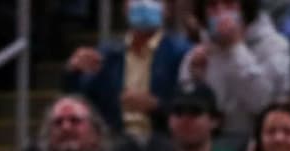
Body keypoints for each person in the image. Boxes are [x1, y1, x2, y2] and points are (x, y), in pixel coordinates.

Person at [64, 0, 193, 138]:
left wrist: (157, 106)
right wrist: (74, 71)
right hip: (116, 140)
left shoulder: (182, 53)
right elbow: (80, 100)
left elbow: (193, 107)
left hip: (165, 140)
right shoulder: (108, 54)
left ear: (167, 10)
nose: (144, 3)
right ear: (124, 8)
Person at [178, 0, 290, 128]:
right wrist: (196, 77)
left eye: (229, 4)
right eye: (212, 5)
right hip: (213, 136)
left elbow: (261, 104)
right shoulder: (200, 51)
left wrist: (235, 48)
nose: (221, 12)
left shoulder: (274, 46)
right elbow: (185, 104)